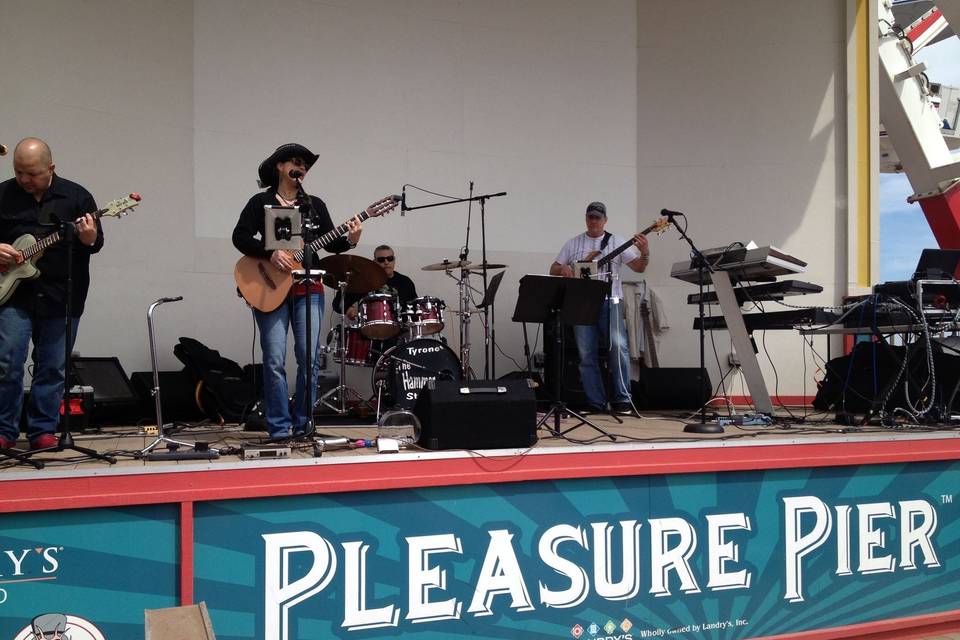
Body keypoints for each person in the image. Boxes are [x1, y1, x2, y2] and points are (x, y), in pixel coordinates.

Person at [232, 143, 362, 439]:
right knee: (275, 359)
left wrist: (351, 239)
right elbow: (239, 237)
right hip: (270, 287)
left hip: (309, 287)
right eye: (295, 161)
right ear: (279, 166)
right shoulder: (260, 202)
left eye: (304, 164)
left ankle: (303, 423)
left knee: (310, 359)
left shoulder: (313, 204)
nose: (301, 167)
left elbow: (332, 244)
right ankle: (279, 427)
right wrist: (269, 253)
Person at [0, 138, 104, 450]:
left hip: (62, 295)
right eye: (19, 172)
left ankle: (42, 431)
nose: (24, 180)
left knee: (52, 368)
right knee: (7, 362)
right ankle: (4, 430)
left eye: (32, 173)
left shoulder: (76, 196)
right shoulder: (3, 194)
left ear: (51, 168)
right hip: (12, 296)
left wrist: (89, 237)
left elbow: (96, 244)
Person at [549, 201, 649, 415]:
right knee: (586, 355)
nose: (594, 221)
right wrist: (565, 268)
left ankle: (623, 400)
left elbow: (639, 268)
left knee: (618, 347)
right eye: (590, 217)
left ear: (605, 220)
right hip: (581, 303)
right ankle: (596, 403)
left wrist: (645, 252)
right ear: (586, 218)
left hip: (610, 300)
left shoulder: (616, 241)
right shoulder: (573, 243)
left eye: (598, 217)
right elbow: (553, 269)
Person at [332, 244, 418, 320]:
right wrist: (348, 309)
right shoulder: (363, 281)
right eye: (381, 260)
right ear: (374, 262)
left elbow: (415, 309)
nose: (386, 262)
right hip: (369, 332)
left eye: (390, 258)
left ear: (394, 260)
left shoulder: (405, 282)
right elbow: (337, 303)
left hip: (400, 332)